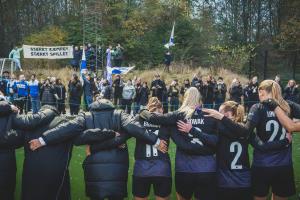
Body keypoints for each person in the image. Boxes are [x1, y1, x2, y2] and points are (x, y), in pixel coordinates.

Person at [28, 99, 168, 200]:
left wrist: (42, 140)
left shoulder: (86, 116)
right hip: (117, 168)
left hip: (94, 168)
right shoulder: (119, 114)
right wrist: (155, 141)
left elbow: (66, 129)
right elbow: (134, 127)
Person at [140, 87, 219, 200]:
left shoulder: (178, 115)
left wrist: (143, 111)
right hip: (207, 168)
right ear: (199, 99)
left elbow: (155, 119)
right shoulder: (209, 115)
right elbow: (216, 142)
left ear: (185, 98)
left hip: (184, 168)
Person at [247, 80, 300, 200]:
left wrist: (261, 145)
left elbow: (247, 133)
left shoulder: (258, 107)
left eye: (260, 92)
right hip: (283, 164)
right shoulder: (288, 106)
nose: (259, 95)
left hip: (262, 163)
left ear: (264, 92)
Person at [0, 101, 57, 200]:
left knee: (7, 189)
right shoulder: (8, 112)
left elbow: (30, 121)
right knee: (6, 189)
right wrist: (50, 111)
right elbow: (30, 121)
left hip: (6, 155)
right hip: (5, 155)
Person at [133, 97, 172, 200]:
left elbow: (125, 133)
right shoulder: (166, 121)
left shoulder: (139, 119)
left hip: (141, 167)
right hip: (162, 168)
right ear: (162, 109)